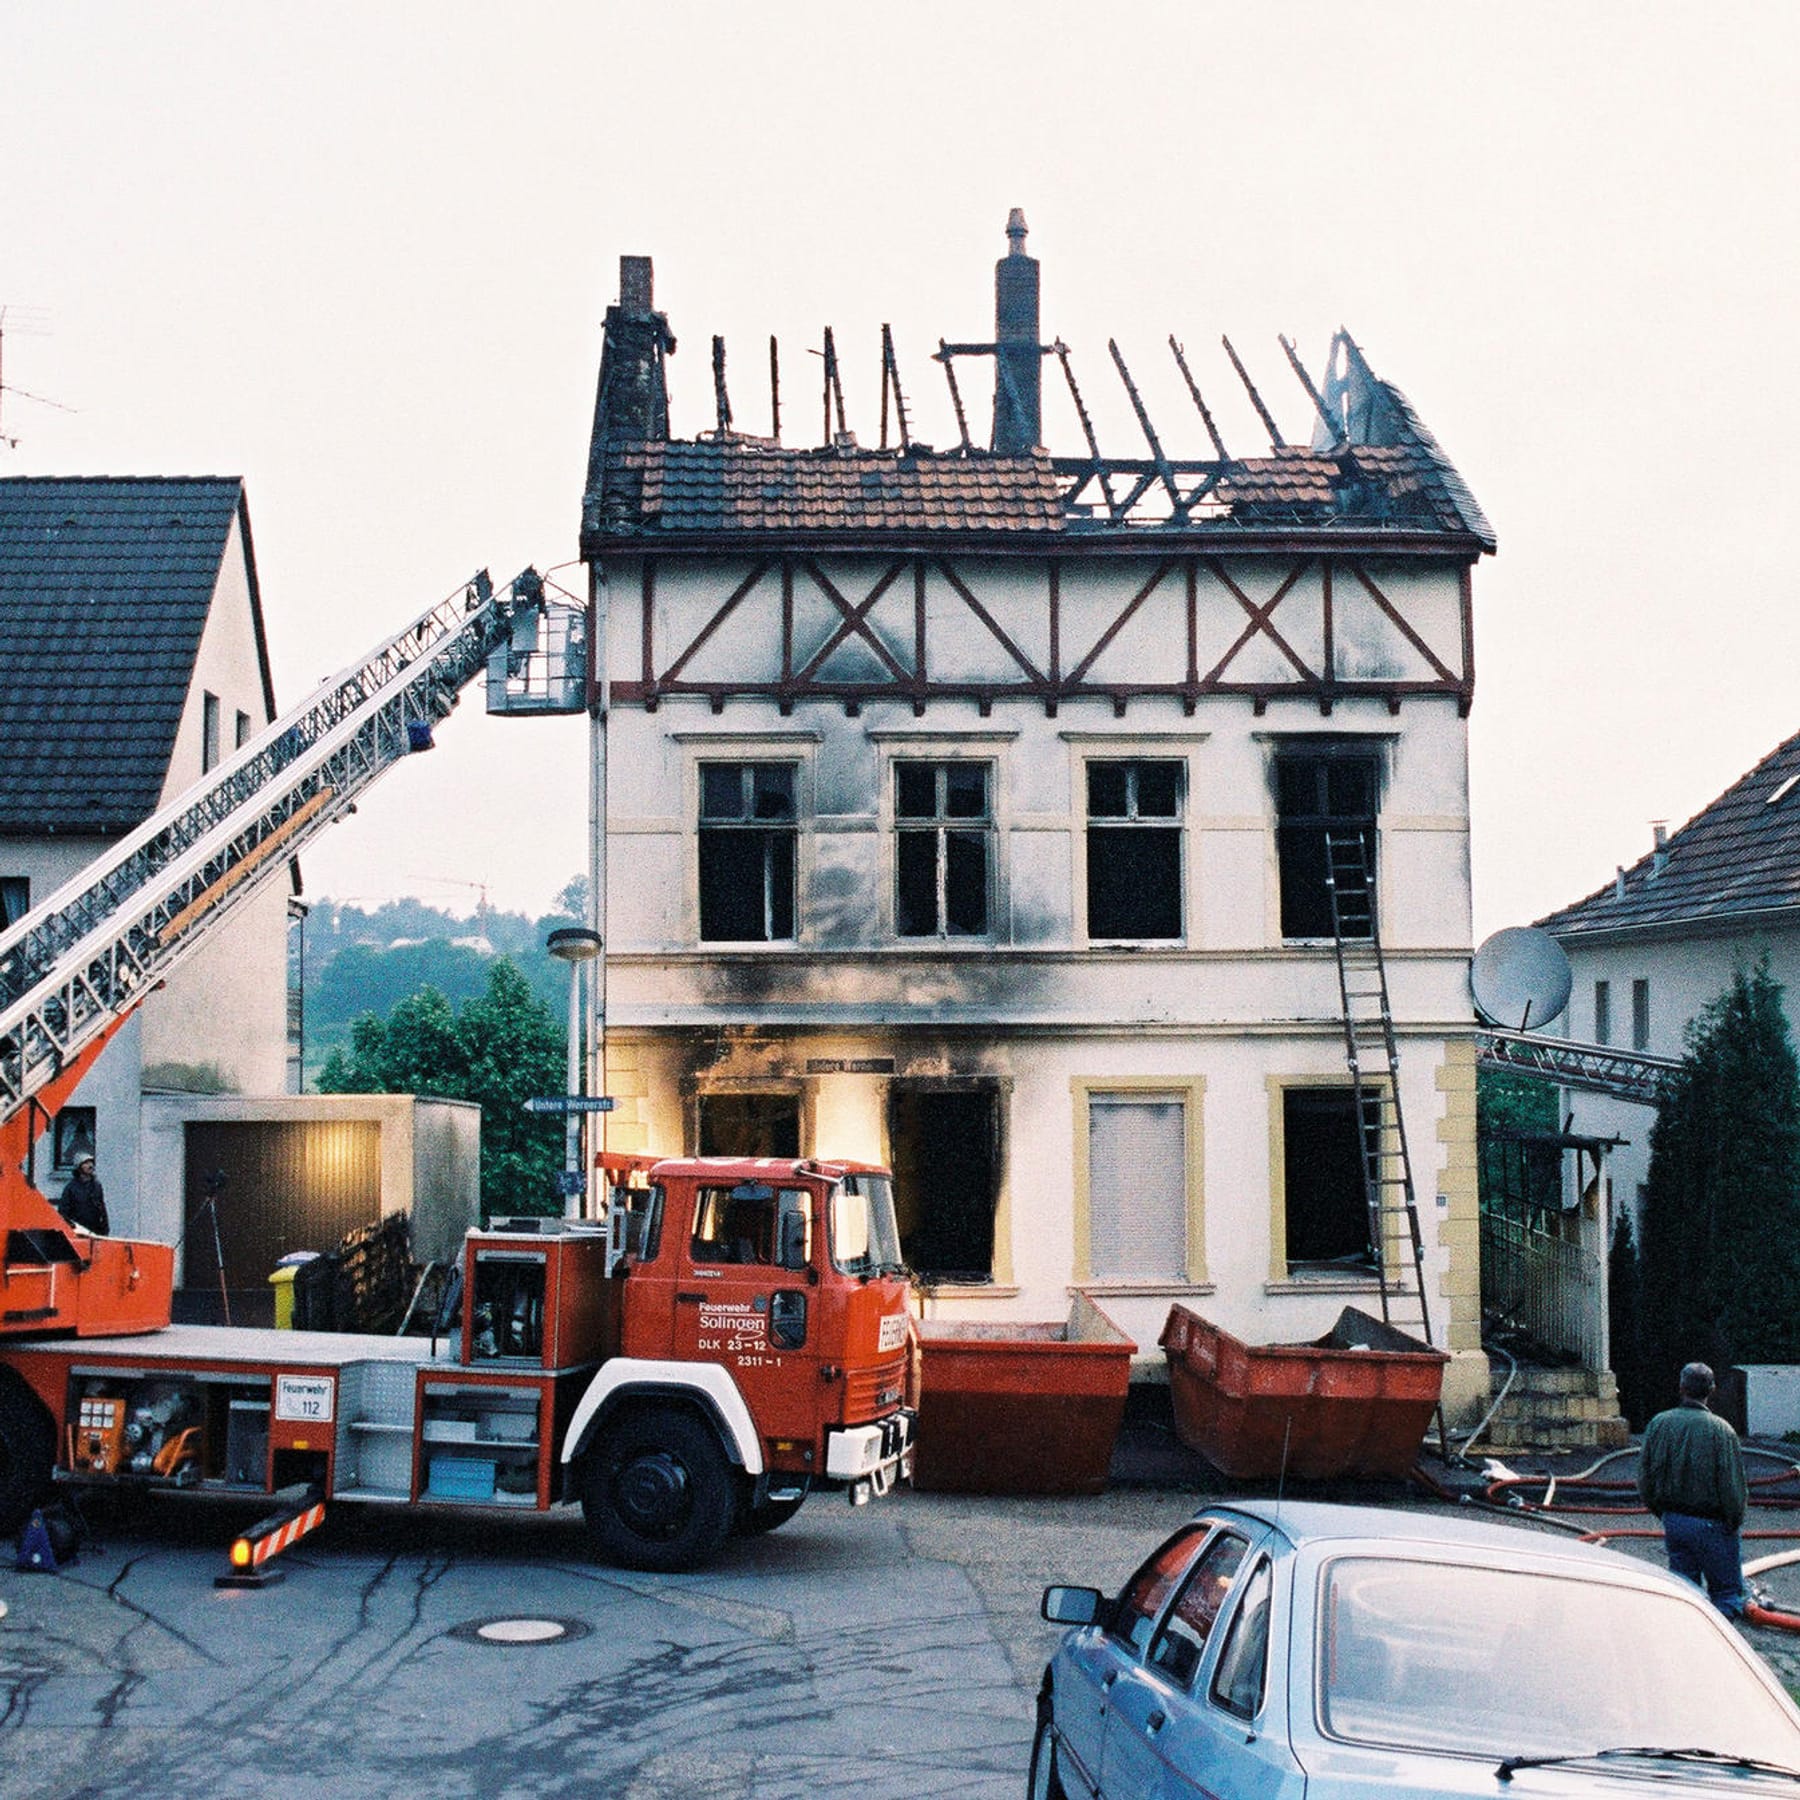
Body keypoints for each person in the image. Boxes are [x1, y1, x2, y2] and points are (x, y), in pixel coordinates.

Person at [1637, 1361, 1749, 1617]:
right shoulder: (1722, 1431)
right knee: (1726, 1594)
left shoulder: (1659, 1424)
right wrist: (1733, 1521)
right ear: (1712, 1389)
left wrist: (1663, 1513)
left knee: (1684, 1593)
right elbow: (1733, 1488)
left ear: (1681, 1387)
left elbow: (1645, 1478)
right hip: (1713, 1523)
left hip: (1674, 1519)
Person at [57, 1154, 108, 1236]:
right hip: (79, 1231)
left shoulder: (97, 1185)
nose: (90, 1165)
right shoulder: (71, 1187)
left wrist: (105, 1226)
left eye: (91, 1162)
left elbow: (101, 1206)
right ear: (79, 1167)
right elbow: (63, 1211)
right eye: (86, 1163)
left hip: (95, 1230)